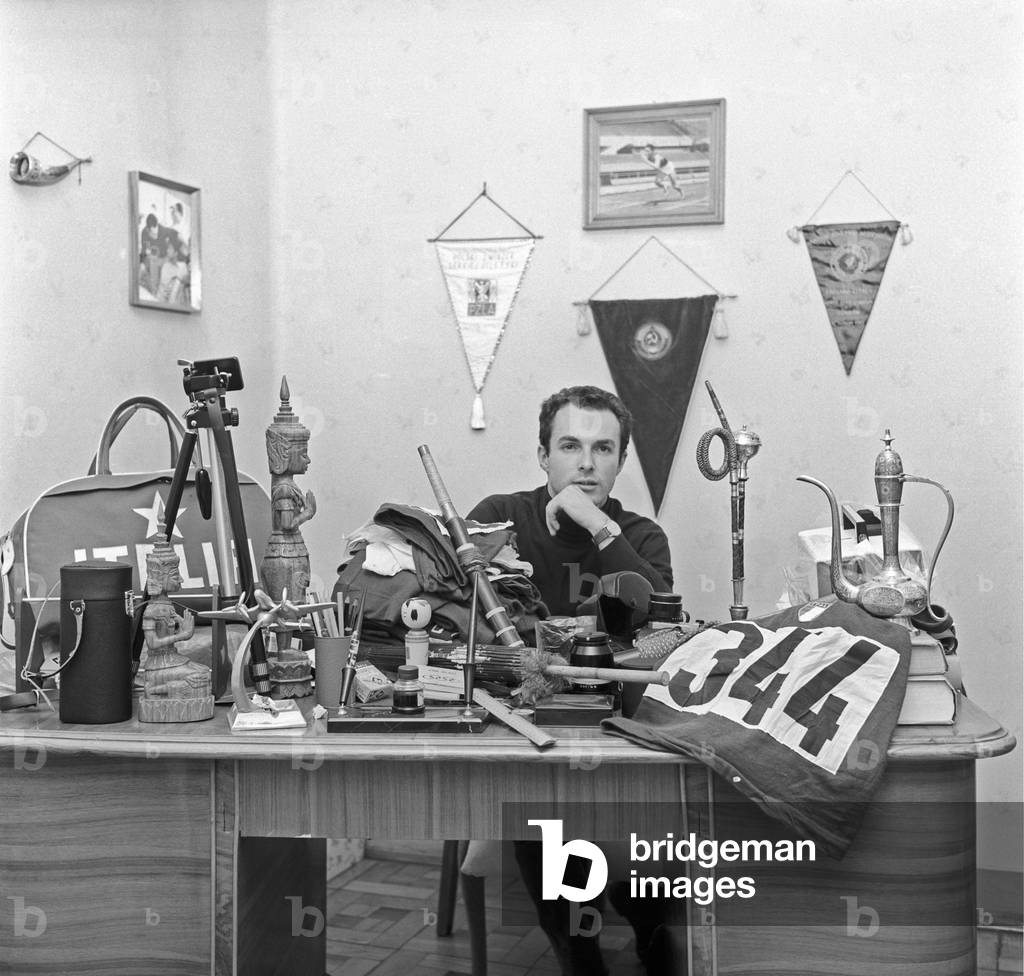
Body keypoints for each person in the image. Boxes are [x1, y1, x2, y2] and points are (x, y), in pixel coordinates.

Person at [467, 385, 674, 976]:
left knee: (645, 869)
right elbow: (464, 621)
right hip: (522, 732)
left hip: (618, 733)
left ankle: (653, 938)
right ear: (542, 455)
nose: (586, 463)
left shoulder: (641, 535)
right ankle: (580, 956)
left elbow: (662, 626)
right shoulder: (498, 521)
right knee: (547, 818)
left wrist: (600, 528)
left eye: (603, 448)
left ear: (621, 460)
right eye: (570, 446)